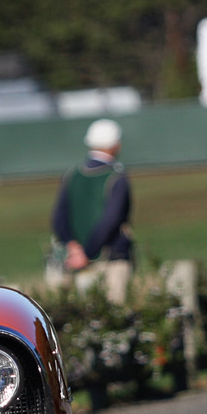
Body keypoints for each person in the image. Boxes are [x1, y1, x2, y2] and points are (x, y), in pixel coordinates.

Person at [50, 118, 133, 303]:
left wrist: (73, 247)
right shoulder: (117, 178)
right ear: (115, 145)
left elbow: (58, 219)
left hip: (74, 261)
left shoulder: (72, 175)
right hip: (110, 260)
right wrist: (87, 254)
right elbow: (110, 221)